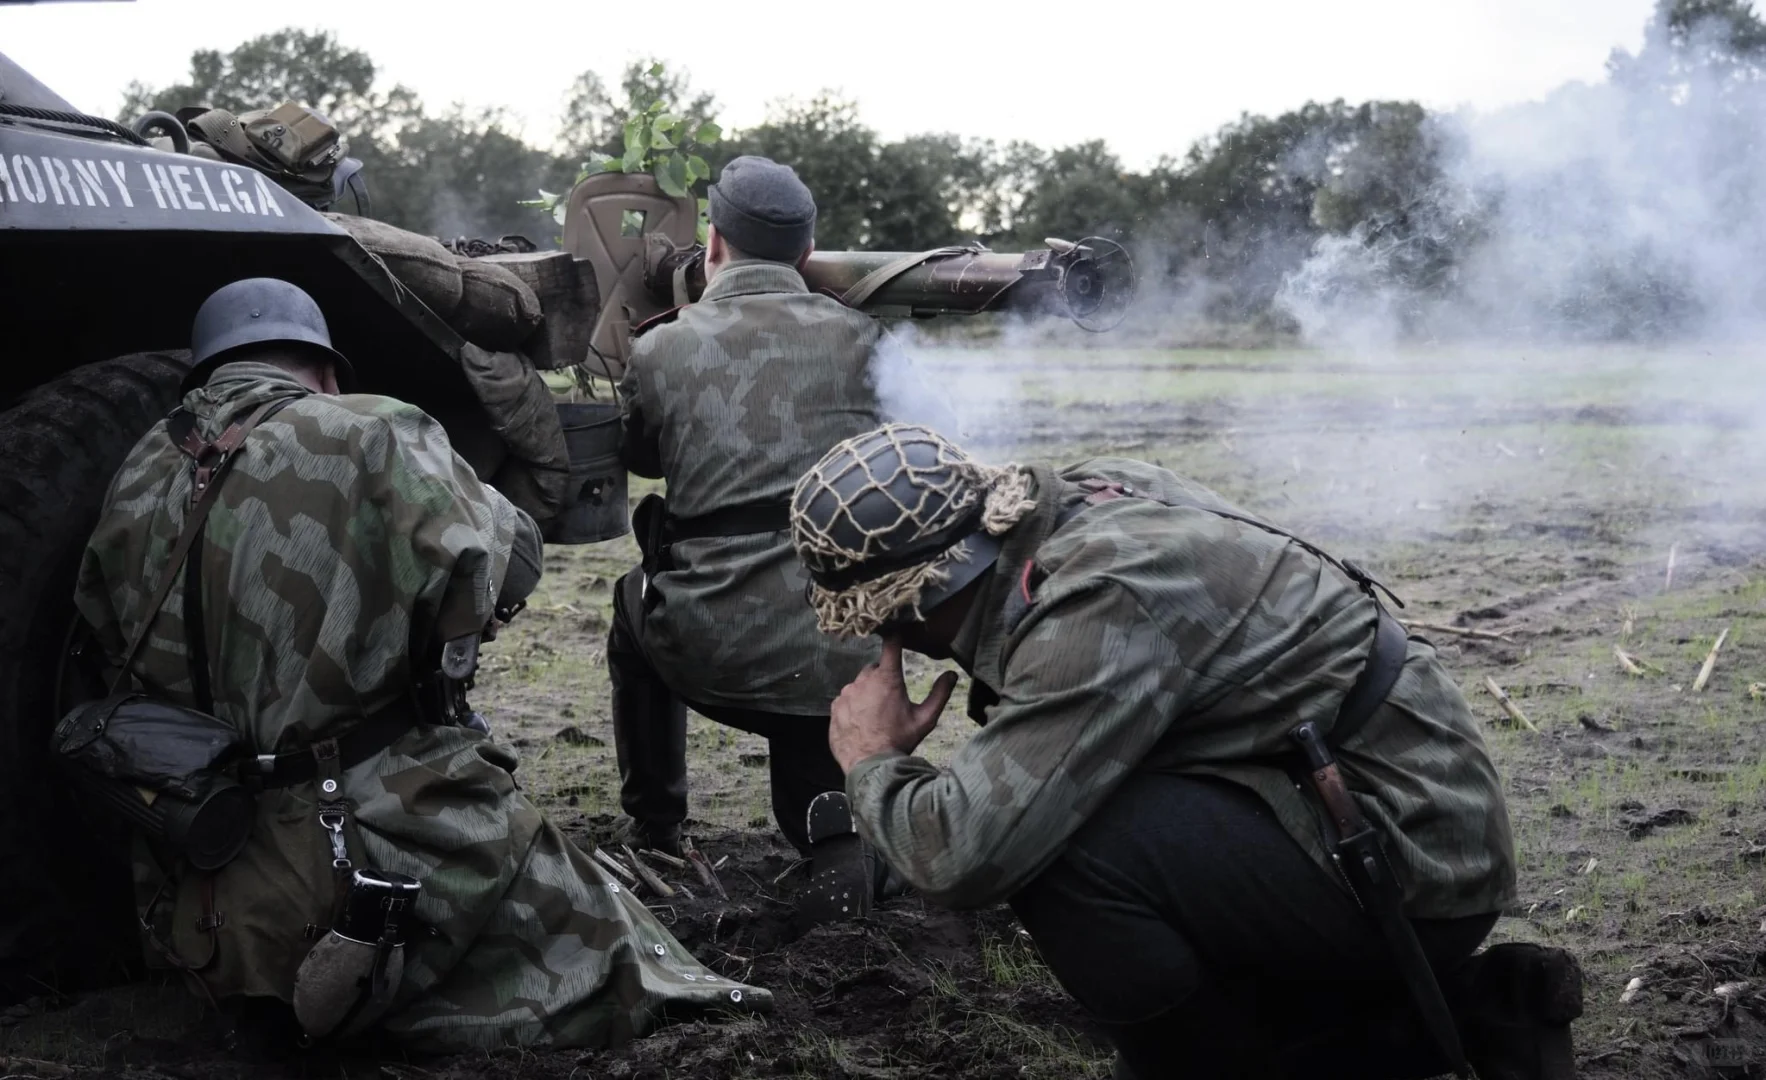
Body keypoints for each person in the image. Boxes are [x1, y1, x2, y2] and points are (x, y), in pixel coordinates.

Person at [72, 277, 767, 1052]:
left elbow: (101, 629)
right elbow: (512, 569)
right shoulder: (373, 429)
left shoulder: (138, 467)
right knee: (625, 960)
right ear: (327, 372)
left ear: (206, 373)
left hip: (191, 874)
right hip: (358, 849)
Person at [784, 423, 1584, 1080]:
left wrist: (871, 760)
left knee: (1065, 855)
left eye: (876, 617)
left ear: (910, 602)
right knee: (1105, 826)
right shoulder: (1087, 496)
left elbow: (963, 854)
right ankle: (1464, 1014)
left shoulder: (1092, 605)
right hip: (1366, 803)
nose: (880, 637)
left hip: (1408, 856)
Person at [609, 155, 942, 914]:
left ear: (714, 241)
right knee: (815, 731)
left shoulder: (663, 346)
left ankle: (656, 825)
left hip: (705, 648)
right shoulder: (868, 340)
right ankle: (838, 840)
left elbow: (639, 457)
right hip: (839, 654)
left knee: (631, 614)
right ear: (806, 249)